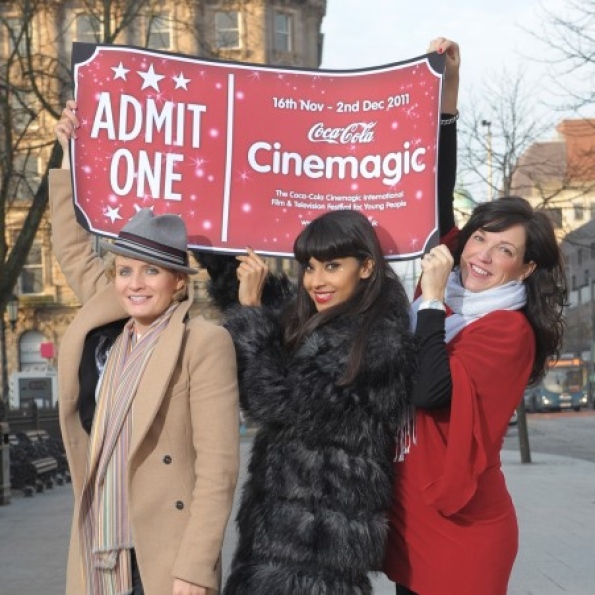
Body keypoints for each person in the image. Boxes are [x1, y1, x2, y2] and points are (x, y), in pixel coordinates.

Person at [383, 39, 568, 595]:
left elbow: (430, 390)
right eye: (480, 237)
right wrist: (448, 93)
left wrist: (431, 299)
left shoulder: (508, 329)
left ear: (526, 268)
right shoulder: (454, 288)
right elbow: (435, 190)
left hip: (463, 528)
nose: (482, 255)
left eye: (504, 250)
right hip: (413, 513)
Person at [51, 101, 240, 595]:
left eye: (152, 271)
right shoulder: (111, 323)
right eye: (125, 270)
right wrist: (68, 157)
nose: (135, 284)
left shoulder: (203, 341)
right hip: (99, 546)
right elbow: (72, 248)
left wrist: (195, 568)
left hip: (166, 553)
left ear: (178, 282)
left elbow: (218, 467)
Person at [195, 209, 417, 594]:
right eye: (310, 267)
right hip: (274, 538)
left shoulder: (381, 342)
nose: (316, 281)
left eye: (332, 266)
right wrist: (214, 241)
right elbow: (275, 301)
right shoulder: (323, 316)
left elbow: (276, 398)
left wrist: (248, 313)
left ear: (366, 267)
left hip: (318, 549)